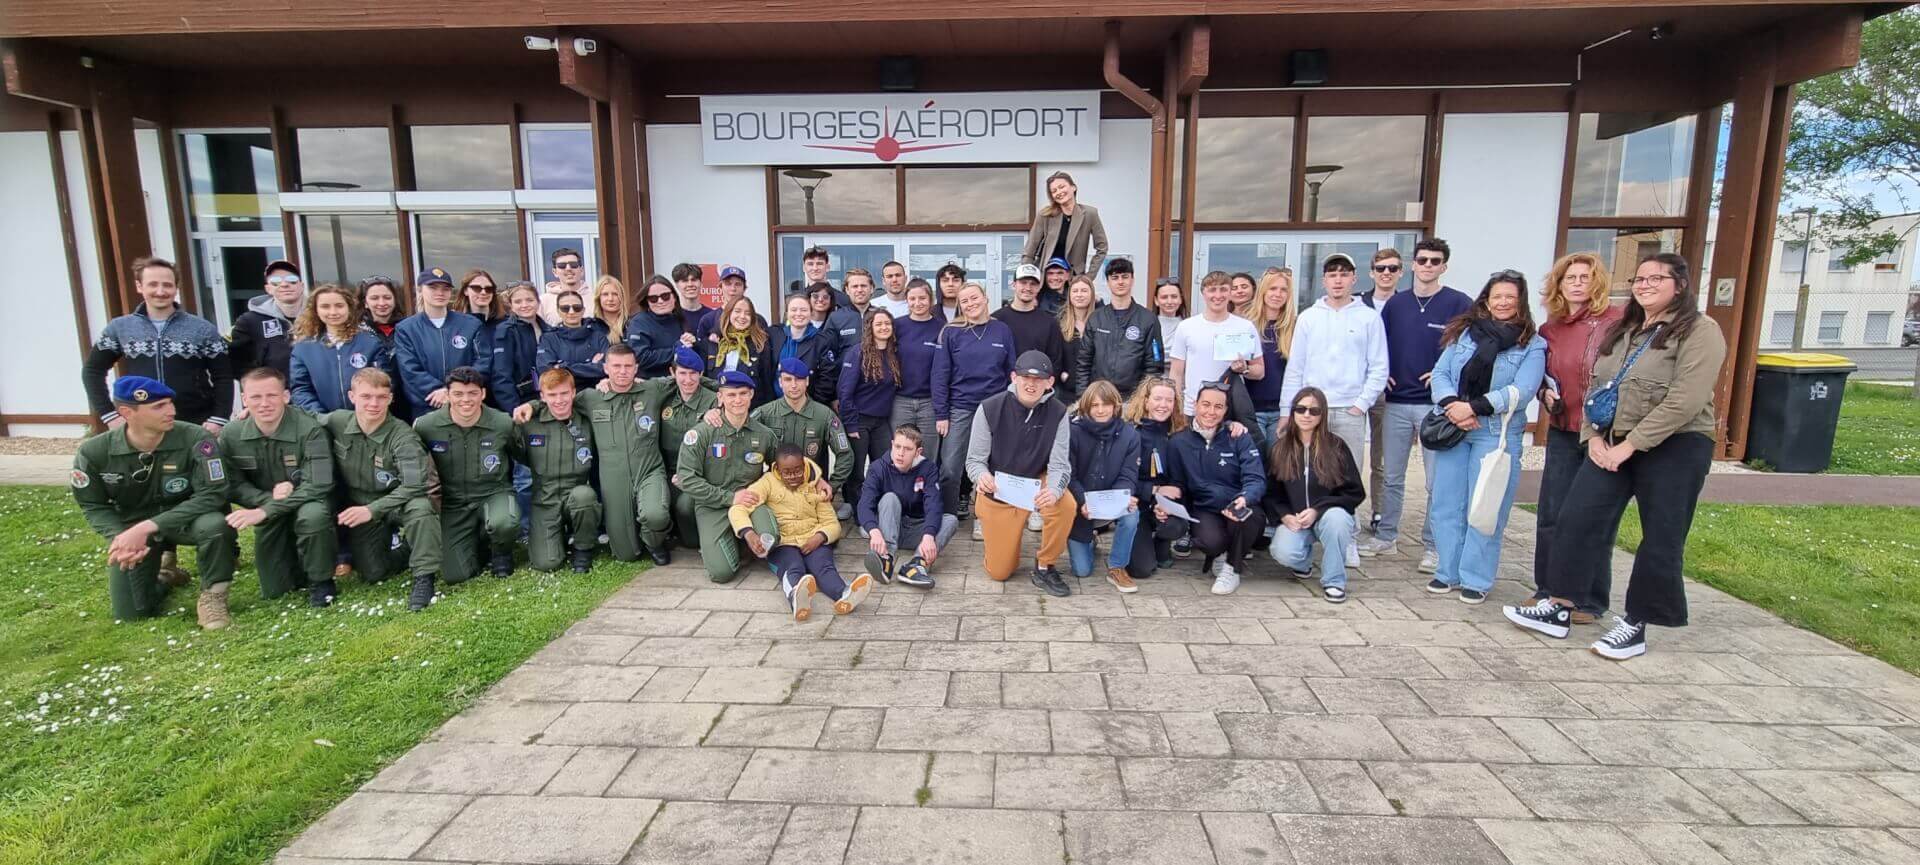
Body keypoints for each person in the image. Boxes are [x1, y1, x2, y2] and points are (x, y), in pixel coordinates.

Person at [1506, 253, 1725, 661]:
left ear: (1680, 284)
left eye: (1656, 279)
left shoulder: (1700, 330)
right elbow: (1597, 386)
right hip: (1609, 441)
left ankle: (1636, 623)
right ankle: (1561, 604)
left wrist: (1630, 445)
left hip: (1676, 445)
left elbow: (1686, 399)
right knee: (1576, 518)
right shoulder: (1626, 329)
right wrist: (1593, 439)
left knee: (1661, 537)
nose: (1645, 285)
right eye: (1640, 279)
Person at [72, 376, 237, 629]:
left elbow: (213, 494)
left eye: (170, 403)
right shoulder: (94, 452)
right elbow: (93, 505)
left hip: (186, 520)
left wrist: (147, 526)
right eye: (159, 406)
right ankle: (166, 576)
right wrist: (121, 539)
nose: (171, 411)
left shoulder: (196, 438)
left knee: (215, 525)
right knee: (132, 613)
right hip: (134, 529)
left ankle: (213, 597)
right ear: (128, 412)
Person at [1426, 271, 1546, 605]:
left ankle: (1476, 578)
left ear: (1520, 302)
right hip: (1454, 428)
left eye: (1510, 297)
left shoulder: (1531, 344)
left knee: (1486, 507)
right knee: (1446, 503)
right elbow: (1440, 374)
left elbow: (1522, 392)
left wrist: (1473, 408)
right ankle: (1447, 571)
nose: (1503, 302)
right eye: (1498, 296)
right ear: (1486, 300)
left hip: (1495, 433)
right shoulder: (1465, 335)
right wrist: (1453, 406)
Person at [1360, 240, 1473, 572]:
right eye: (1422, 260)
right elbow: (1380, 347)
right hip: (1396, 402)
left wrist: (1443, 375)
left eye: (1434, 261)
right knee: (1392, 475)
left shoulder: (1458, 303)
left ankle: (1434, 545)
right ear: (1413, 265)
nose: (1427, 265)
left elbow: (1468, 349)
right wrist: (1384, 376)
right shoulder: (1397, 305)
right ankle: (1386, 536)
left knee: (1436, 480)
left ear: (1443, 266)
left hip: (1435, 407)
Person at [546, 344, 714, 565]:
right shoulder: (591, 398)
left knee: (656, 515)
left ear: (636, 368)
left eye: (627, 366)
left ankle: (654, 542)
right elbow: (556, 402)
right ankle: (634, 540)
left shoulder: (653, 389)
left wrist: (720, 396)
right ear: (605, 368)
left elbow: (690, 378)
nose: (622, 371)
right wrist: (529, 406)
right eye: (616, 366)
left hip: (649, 470)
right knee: (626, 555)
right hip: (614, 478)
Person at [1530, 253, 1625, 623]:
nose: (1577, 283)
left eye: (1585, 277)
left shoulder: (1616, 322)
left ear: (1598, 282)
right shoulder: (1550, 329)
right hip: (1563, 428)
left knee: (1595, 516)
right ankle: (1548, 590)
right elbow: (1543, 375)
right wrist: (1543, 394)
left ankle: (1589, 599)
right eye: (1570, 277)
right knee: (1552, 512)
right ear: (1558, 283)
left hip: (1603, 432)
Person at [1279, 254, 1386, 540]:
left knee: (1345, 476)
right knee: (1309, 471)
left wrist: (1360, 404)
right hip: (1310, 411)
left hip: (1348, 409)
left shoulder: (1368, 318)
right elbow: (1296, 367)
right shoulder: (1309, 317)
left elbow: (1379, 367)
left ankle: (1346, 534)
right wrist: (1287, 410)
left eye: (1343, 274)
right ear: (1324, 280)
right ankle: (1310, 530)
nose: (1338, 280)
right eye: (1332, 274)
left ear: (1354, 278)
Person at [324, 368, 442, 611]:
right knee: (373, 572)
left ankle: (424, 578)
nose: (374, 404)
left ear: (390, 399)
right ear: (352, 396)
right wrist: (254, 410)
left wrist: (372, 509)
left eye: (381, 397)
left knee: (421, 509)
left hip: (399, 500)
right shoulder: (337, 420)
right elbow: (302, 420)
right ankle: (410, 550)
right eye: (366, 397)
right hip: (361, 502)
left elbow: (414, 485)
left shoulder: (402, 436)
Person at [220, 367, 339, 607]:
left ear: (285, 396)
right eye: (255, 397)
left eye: (271, 395)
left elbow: (318, 484)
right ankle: (294, 568)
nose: (264, 403)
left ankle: (321, 580)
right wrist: (264, 500)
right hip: (264, 504)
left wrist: (268, 508)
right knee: (275, 589)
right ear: (244, 399)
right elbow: (231, 483)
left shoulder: (309, 430)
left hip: (308, 500)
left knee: (313, 516)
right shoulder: (231, 434)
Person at [966, 351, 1078, 595]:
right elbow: (975, 460)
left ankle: (1045, 564)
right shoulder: (989, 408)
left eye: (1039, 379)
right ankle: (1004, 546)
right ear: (1014, 377)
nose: (1031, 384)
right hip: (1000, 487)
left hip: (1037, 480)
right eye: (1026, 377)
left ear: (1050, 382)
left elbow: (1059, 464)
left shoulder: (1059, 413)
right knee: (1000, 572)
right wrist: (981, 477)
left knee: (1065, 504)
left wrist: (1055, 490)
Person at [83, 257, 233, 433]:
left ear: (176, 288)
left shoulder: (202, 329)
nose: (160, 291)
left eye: (167, 285)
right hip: (141, 425)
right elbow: (92, 371)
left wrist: (219, 418)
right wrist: (109, 416)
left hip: (195, 423)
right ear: (139, 286)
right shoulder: (120, 328)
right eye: (153, 284)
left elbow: (223, 376)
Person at [732, 444, 867, 621]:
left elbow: (832, 523)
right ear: (777, 470)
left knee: (824, 567)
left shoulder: (815, 485)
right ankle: (797, 597)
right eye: (787, 472)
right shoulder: (766, 483)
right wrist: (749, 533)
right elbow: (737, 509)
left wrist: (820, 537)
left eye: (797, 470)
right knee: (793, 567)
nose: (793, 476)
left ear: (804, 466)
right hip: (784, 543)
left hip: (813, 538)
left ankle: (844, 594)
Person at [414, 366, 520, 583]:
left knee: (504, 522)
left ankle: (501, 552)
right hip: (453, 503)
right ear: (448, 394)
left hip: (492, 493)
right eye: (458, 394)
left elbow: (523, 454)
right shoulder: (426, 426)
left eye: (472, 393)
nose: (466, 400)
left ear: (483, 394)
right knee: (456, 575)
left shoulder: (502, 423)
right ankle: (478, 542)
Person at [1159, 382, 1266, 594]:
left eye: (1218, 407)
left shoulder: (1238, 436)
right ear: (1195, 405)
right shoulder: (1178, 442)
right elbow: (1179, 483)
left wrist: (1245, 498)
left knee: (1249, 518)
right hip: (1205, 508)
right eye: (1205, 405)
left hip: (1237, 503)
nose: (1211, 411)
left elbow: (1256, 477)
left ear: (1226, 410)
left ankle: (1231, 568)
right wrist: (1168, 501)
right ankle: (1223, 552)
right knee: (1210, 542)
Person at [673, 371, 778, 583]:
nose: (737, 400)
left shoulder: (764, 434)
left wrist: (815, 478)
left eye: (742, 394)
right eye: (731, 395)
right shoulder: (701, 434)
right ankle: (737, 544)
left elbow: (779, 469)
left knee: (770, 539)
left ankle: (743, 540)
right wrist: (730, 498)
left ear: (751, 395)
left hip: (750, 502)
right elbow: (687, 478)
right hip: (713, 504)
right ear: (719, 397)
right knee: (721, 574)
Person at [1264, 386, 1365, 603]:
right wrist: (1284, 515)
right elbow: (1271, 493)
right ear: (1293, 413)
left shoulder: (1336, 446)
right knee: (1282, 551)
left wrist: (1319, 509)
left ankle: (1334, 581)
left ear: (1322, 414)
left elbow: (1354, 491)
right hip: (1297, 520)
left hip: (1327, 517)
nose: (1306, 415)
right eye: (1301, 409)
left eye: (1314, 410)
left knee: (1337, 521)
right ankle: (1304, 563)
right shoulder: (1281, 448)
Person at [933, 282, 1019, 519]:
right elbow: (940, 375)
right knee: (950, 467)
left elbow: (1012, 371)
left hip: (995, 408)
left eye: (974, 298)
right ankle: (947, 515)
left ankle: (988, 514)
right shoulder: (951, 332)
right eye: (965, 301)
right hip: (960, 407)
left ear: (985, 298)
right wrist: (941, 414)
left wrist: (1013, 406)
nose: (971, 304)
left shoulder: (1002, 330)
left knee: (995, 465)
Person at [512, 368, 601, 573]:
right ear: (542, 396)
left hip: (575, 493)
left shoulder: (587, 418)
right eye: (552, 395)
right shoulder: (528, 422)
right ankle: (556, 536)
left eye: (564, 393)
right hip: (545, 499)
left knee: (585, 496)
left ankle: (583, 547)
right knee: (547, 563)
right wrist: (530, 407)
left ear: (573, 392)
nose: (559, 400)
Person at [1065, 382, 1141, 593]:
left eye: (1106, 404)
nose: (1100, 410)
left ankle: (1117, 567)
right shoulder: (1073, 431)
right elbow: (1069, 475)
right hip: (1082, 505)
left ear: (1116, 406)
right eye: (1094, 405)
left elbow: (1128, 475)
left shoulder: (1130, 435)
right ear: (1086, 407)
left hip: (1110, 499)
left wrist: (1121, 499)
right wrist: (1083, 501)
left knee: (1132, 513)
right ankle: (1089, 540)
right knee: (1081, 570)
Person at [754, 356, 854, 516]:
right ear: (780, 382)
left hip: (811, 491)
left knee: (825, 534)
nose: (793, 385)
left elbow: (845, 455)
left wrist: (831, 486)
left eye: (799, 379)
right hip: (776, 492)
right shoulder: (765, 413)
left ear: (807, 381)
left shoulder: (824, 415)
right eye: (788, 379)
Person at [858, 425, 956, 589]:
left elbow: (934, 504)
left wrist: (928, 535)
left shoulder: (928, 469)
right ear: (892, 444)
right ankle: (886, 558)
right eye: (897, 446)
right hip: (886, 528)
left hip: (914, 529)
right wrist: (873, 531)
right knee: (889, 498)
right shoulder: (877, 467)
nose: (900, 453)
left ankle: (916, 565)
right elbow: (864, 504)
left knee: (951, 520)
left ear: (918, 452)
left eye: (908, 449)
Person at [1167, 270, 1263, 414]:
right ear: (1203, 293)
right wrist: (1176, 407)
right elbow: (1176, 372)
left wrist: (1245, 369)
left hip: (1231, 409)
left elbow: (1260, 371)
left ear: (1230, 293)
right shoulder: (1186, 326)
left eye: (1223, 290)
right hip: (1193, 408)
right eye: (1212, 290)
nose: (1218, 296)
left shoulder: (1245, 327)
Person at [393, 266, 486, 416]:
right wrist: (437, 390)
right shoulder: (406, 328)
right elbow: (409, 368)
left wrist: (453, 391)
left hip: (466, 404)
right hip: (427, 406)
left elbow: (482, 362)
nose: (440, 293)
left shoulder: (471, 324)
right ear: (419, 290)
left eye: (445, 288)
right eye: (433, 287)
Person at [290, 283, 391, 415]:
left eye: (339, 306)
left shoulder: (370, 343)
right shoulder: (303, 348)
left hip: (365, 420)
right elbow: (300, 389)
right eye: (325, 306)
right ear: (316, 310)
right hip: (322, 423)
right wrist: (323, 417)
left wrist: (364, 414)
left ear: (349, 308)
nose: (333, 312)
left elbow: (385, 383)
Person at [1123, 377, 1187, 578]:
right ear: (1146, 401)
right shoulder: (1130, 434)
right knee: (1140, 570)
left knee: (1175, 526)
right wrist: (1154, 491)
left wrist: (1166, 502)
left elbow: (1183, 478)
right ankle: (1140, 539)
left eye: (1169, 400)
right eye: (1158, 399)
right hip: (1136, 506)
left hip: (1166, 506)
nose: (1163, 405)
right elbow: (1123, 478)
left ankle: (1162, 541)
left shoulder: (1180, 436)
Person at [1077, 258, 1165, 402]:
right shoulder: (1096, 318)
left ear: (1132, 280)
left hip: (1133, 400)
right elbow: (1083, 362)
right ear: (1108, 282)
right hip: (1098, 398)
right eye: (1115, 278)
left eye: (1125, 277)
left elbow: (1154, 367)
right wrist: (1083, 397)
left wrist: (1142, 400)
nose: (1120, 282)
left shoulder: (1148, 319)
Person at [839, 309, 901, 514]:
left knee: (883, 467)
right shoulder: (858, 352)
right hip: (859, 420)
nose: (884, 327)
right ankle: (860, 515)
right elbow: (845, 390)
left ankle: (878, 508)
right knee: (857, 472)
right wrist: (850, 423)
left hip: (881, 421)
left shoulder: (893, 354)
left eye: (887, 324)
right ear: (870, 328)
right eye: (879, 324)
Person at [994, 264, 1071, 397]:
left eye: (1033, 284)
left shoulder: (1049, 322)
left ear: (1039, 287)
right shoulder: (996, 320)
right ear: (1014, 285)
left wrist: (1041, 388)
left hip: (1038, 395)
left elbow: (1055, 363)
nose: (1028, 288)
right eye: (1023, 283)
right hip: (1003, 394)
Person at [890, 280, 946, 457]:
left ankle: (924, 485)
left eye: (922, 298)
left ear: (931, 300)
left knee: (927, 454)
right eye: (912, 298)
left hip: (929, 402)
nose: (917, 303)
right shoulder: (897, 326)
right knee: (901, 454)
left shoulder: (942, 327)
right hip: (901, 401)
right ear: (906, 300)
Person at [1244, 269, 1297, 453]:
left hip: (1282, 411)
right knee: (1255, 466)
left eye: (1283, 290)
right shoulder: (1246, 326)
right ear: (1263, 292)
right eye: (1272, 288)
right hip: (1252, 411)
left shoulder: (1295, 327)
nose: (1277, 294)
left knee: (1278, 470)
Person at [1022, 170, 1108, 277]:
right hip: (1046, 278)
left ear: (1073, 187)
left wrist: (1089, 276)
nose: (1058, 192)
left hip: (1074, 279)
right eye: (1054, 191)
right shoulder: (1045, 215)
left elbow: (1102, 248)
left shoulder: (1090, 214)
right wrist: (1028, 277)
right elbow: (1029, 251)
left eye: (1062, 187)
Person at [229, 259, 305, 379]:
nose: (285, 285)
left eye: (292, 280)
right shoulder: (249, 321)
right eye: (275, 282)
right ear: (268, 288)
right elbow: (234, 359)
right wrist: (256, 383)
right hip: (273, 394)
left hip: (317, 393)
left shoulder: (320, 315)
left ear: (301, 286)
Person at [659, 347, 722, 489]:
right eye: (682, 373)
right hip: (664, 471)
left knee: (684, 508)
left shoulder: (713, 402)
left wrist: (688, 476)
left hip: (699, 473)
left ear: (701, 374)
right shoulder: (664, 397)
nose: (688, 380)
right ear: (672, 373)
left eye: (693, 373)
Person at [773, 290, 842, 406]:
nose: (798, 314)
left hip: (810, 407)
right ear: (787, 313)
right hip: (776, 406)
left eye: (804, 310)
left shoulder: (822, 340)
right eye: (794, 310)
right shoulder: (775, 335)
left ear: (811, 313)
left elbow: (827, 378)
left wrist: (812, 406)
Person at [535, 289, 611, 389]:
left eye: (577, 307)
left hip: (595, 392)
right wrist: (591, 366)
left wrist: (563, 367)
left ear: (583, 310)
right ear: (558, 311)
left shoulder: (598, 336)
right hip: (561, 395)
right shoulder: (548, 338)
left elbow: (606, 368)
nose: (571, 312)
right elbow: (547, 371)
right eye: (565, 308)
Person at [706, 295, 774, 405]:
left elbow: (767, 385)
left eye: (747, 313)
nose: (742, 316)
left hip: (750, 410)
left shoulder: (760, 344)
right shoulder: (713, 342)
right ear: (729, 313)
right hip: (718, 411)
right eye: (737, 311)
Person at [490, 282, 546, 411]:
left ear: (538, 302)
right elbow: (501, 376)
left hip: (547, 399)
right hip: (521, 400)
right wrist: (513, 409)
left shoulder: (548, 329)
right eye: (518, 301)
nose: (524, 305)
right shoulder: (506, 332)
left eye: (530, 300)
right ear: (511, 305)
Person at [628, 275, 688, 378]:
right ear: (647, 301)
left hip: (680, 385)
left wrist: (692, 344)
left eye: (665, 296)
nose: (660, 301)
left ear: (674, 297)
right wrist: (677, 350)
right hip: (651, 387)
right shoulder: (638, 323)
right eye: (653, 298)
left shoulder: (680, 319)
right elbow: (640, 358)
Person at [1055, 275, 1097, 402]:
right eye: (1075, 291)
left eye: (1084, 291)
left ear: (1092, 294)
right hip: (1066, 393)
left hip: (1096, 392)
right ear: (1069, 295)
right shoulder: (1059, 324)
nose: (1079, 295)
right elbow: (1055, 356)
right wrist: (1063, 376)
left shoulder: (1101, 323)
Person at [695, 266, 763, 342]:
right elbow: (701, 350)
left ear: (744, 289)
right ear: (720, 287)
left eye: (737, 284)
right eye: (728, 284)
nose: (733, 289)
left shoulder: (757, 320)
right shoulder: (708, 319)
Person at [539, 247, 591, 326]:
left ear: (581, 270)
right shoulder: (543, 301)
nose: (568, 268)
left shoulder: (595, 298)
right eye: (562, 265)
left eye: (573, 265)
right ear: (554, 272)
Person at [819, 273, 866, 347]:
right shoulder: (835, 318)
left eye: (863, 286)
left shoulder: (881, 316)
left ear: (872, 288)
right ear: (847, 290)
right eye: (855, 286)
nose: (859, 290)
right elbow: (826, 348)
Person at [671, 263, 709, 335]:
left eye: (694, 280)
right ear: (676, 285)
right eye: (685, 281)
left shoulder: (712, 315)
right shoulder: (671, 316)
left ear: (701, 283)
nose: (690, 284)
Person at [591, 274, 630, 344]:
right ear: (598, 298)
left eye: (615, 294)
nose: (610, 299)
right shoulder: (592, 327)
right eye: (605, 294)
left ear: (622, 297)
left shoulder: (632, 324)